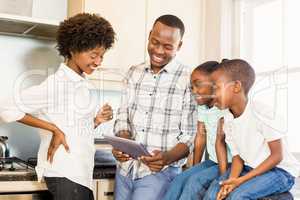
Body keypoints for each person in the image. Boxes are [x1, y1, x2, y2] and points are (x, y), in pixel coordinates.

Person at [0, 13, 115, 200]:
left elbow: (74, 130)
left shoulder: (80, 83)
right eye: (93, 55)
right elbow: (6, 107)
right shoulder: (58, 84)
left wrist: (96, 121)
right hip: (66, 174)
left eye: (102, 56)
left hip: (80, 174)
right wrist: (53, 129)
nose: (98, 62)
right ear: (72, 49)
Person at [112, 14, 197, 200]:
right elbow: (122, 118)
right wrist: (122, 144)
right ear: (149, 35)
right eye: (154, 42)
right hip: (125, 171)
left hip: (160, 174)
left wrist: (166, 158)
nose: (158, 51)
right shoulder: (133, 72)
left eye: (167, 47)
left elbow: (189, 137)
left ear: (179, 46)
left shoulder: (188, 79)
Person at [204, 59, 300, 200]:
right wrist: (231, 181)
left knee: (238, 196)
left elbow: (277, 156)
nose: (211, 95)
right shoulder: (227, 120)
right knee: (214, 194)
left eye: (216, 88)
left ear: (236, 86)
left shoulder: (262, 113)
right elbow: (237, 157)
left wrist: (240, 181)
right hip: (250, 168)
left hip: (280, 171)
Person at [163, 61, 232, 200]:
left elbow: (222, 143)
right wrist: (195, 167)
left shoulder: (225, 109)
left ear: (215, 83)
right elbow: (200, 138)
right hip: (213, 161)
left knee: (194, 184)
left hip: (229, 163)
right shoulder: (202, 107)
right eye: (192, 87)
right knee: (178, 180)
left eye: (198, 85)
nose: (194, 91)